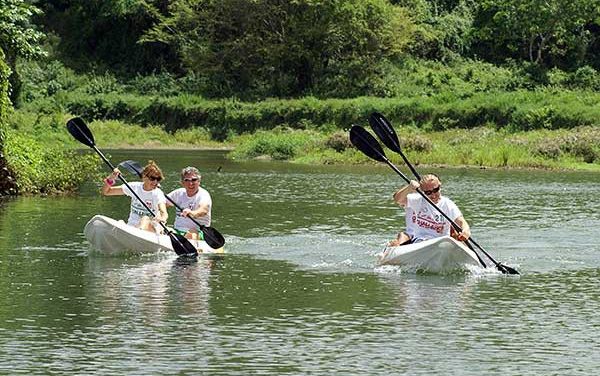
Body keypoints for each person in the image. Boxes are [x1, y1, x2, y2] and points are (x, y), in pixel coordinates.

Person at [389, 173, 471, 246]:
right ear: (423, 191)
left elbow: (461, 221)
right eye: (428, 193)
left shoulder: (448, 204)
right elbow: (397, 199)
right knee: (403, 236)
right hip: (420, 241)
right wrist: (409, 188)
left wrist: (466, 231)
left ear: (440, 186)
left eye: (436, 190)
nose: (433, 195)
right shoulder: (418, 200)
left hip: (442, 243)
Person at [101, 160, 168, 233]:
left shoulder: (158, 193)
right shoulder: (134, 187)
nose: (155, 182)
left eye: (158, 179)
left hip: (151, 228)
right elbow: (106, 192)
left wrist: (162, 218)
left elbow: (163, 212)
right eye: (152, 178)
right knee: (120, 222)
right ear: (144, 177)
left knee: (145, 219)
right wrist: (111, 178)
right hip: (132, 227)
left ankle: (138, 233)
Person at [166, 166, 212, 240]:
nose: (191, 183)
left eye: (194, 180)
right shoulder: (178, 193)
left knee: (191, 233)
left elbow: (203, 210)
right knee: (149, 222)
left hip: (198, 232)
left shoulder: (204, 194)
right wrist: (161, 214)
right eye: (187, 180)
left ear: (199, 181)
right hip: (177, 230)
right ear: (182, 182)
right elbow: (161, 204)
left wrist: (192, 213)